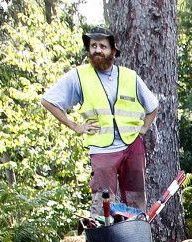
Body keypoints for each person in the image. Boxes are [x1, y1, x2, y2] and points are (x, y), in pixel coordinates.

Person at [41, 26, 159, 214]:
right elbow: (48, 101)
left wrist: (143, 128)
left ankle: (135, 239)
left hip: (132, 146)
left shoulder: (129, 76)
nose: (97, 50)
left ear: (113, 51)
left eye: (102, 46)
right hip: (102, 149)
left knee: (136, 200)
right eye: (93, 46)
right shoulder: (79, 76)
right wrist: (74, 126)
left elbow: (152, 106)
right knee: (102, 203)